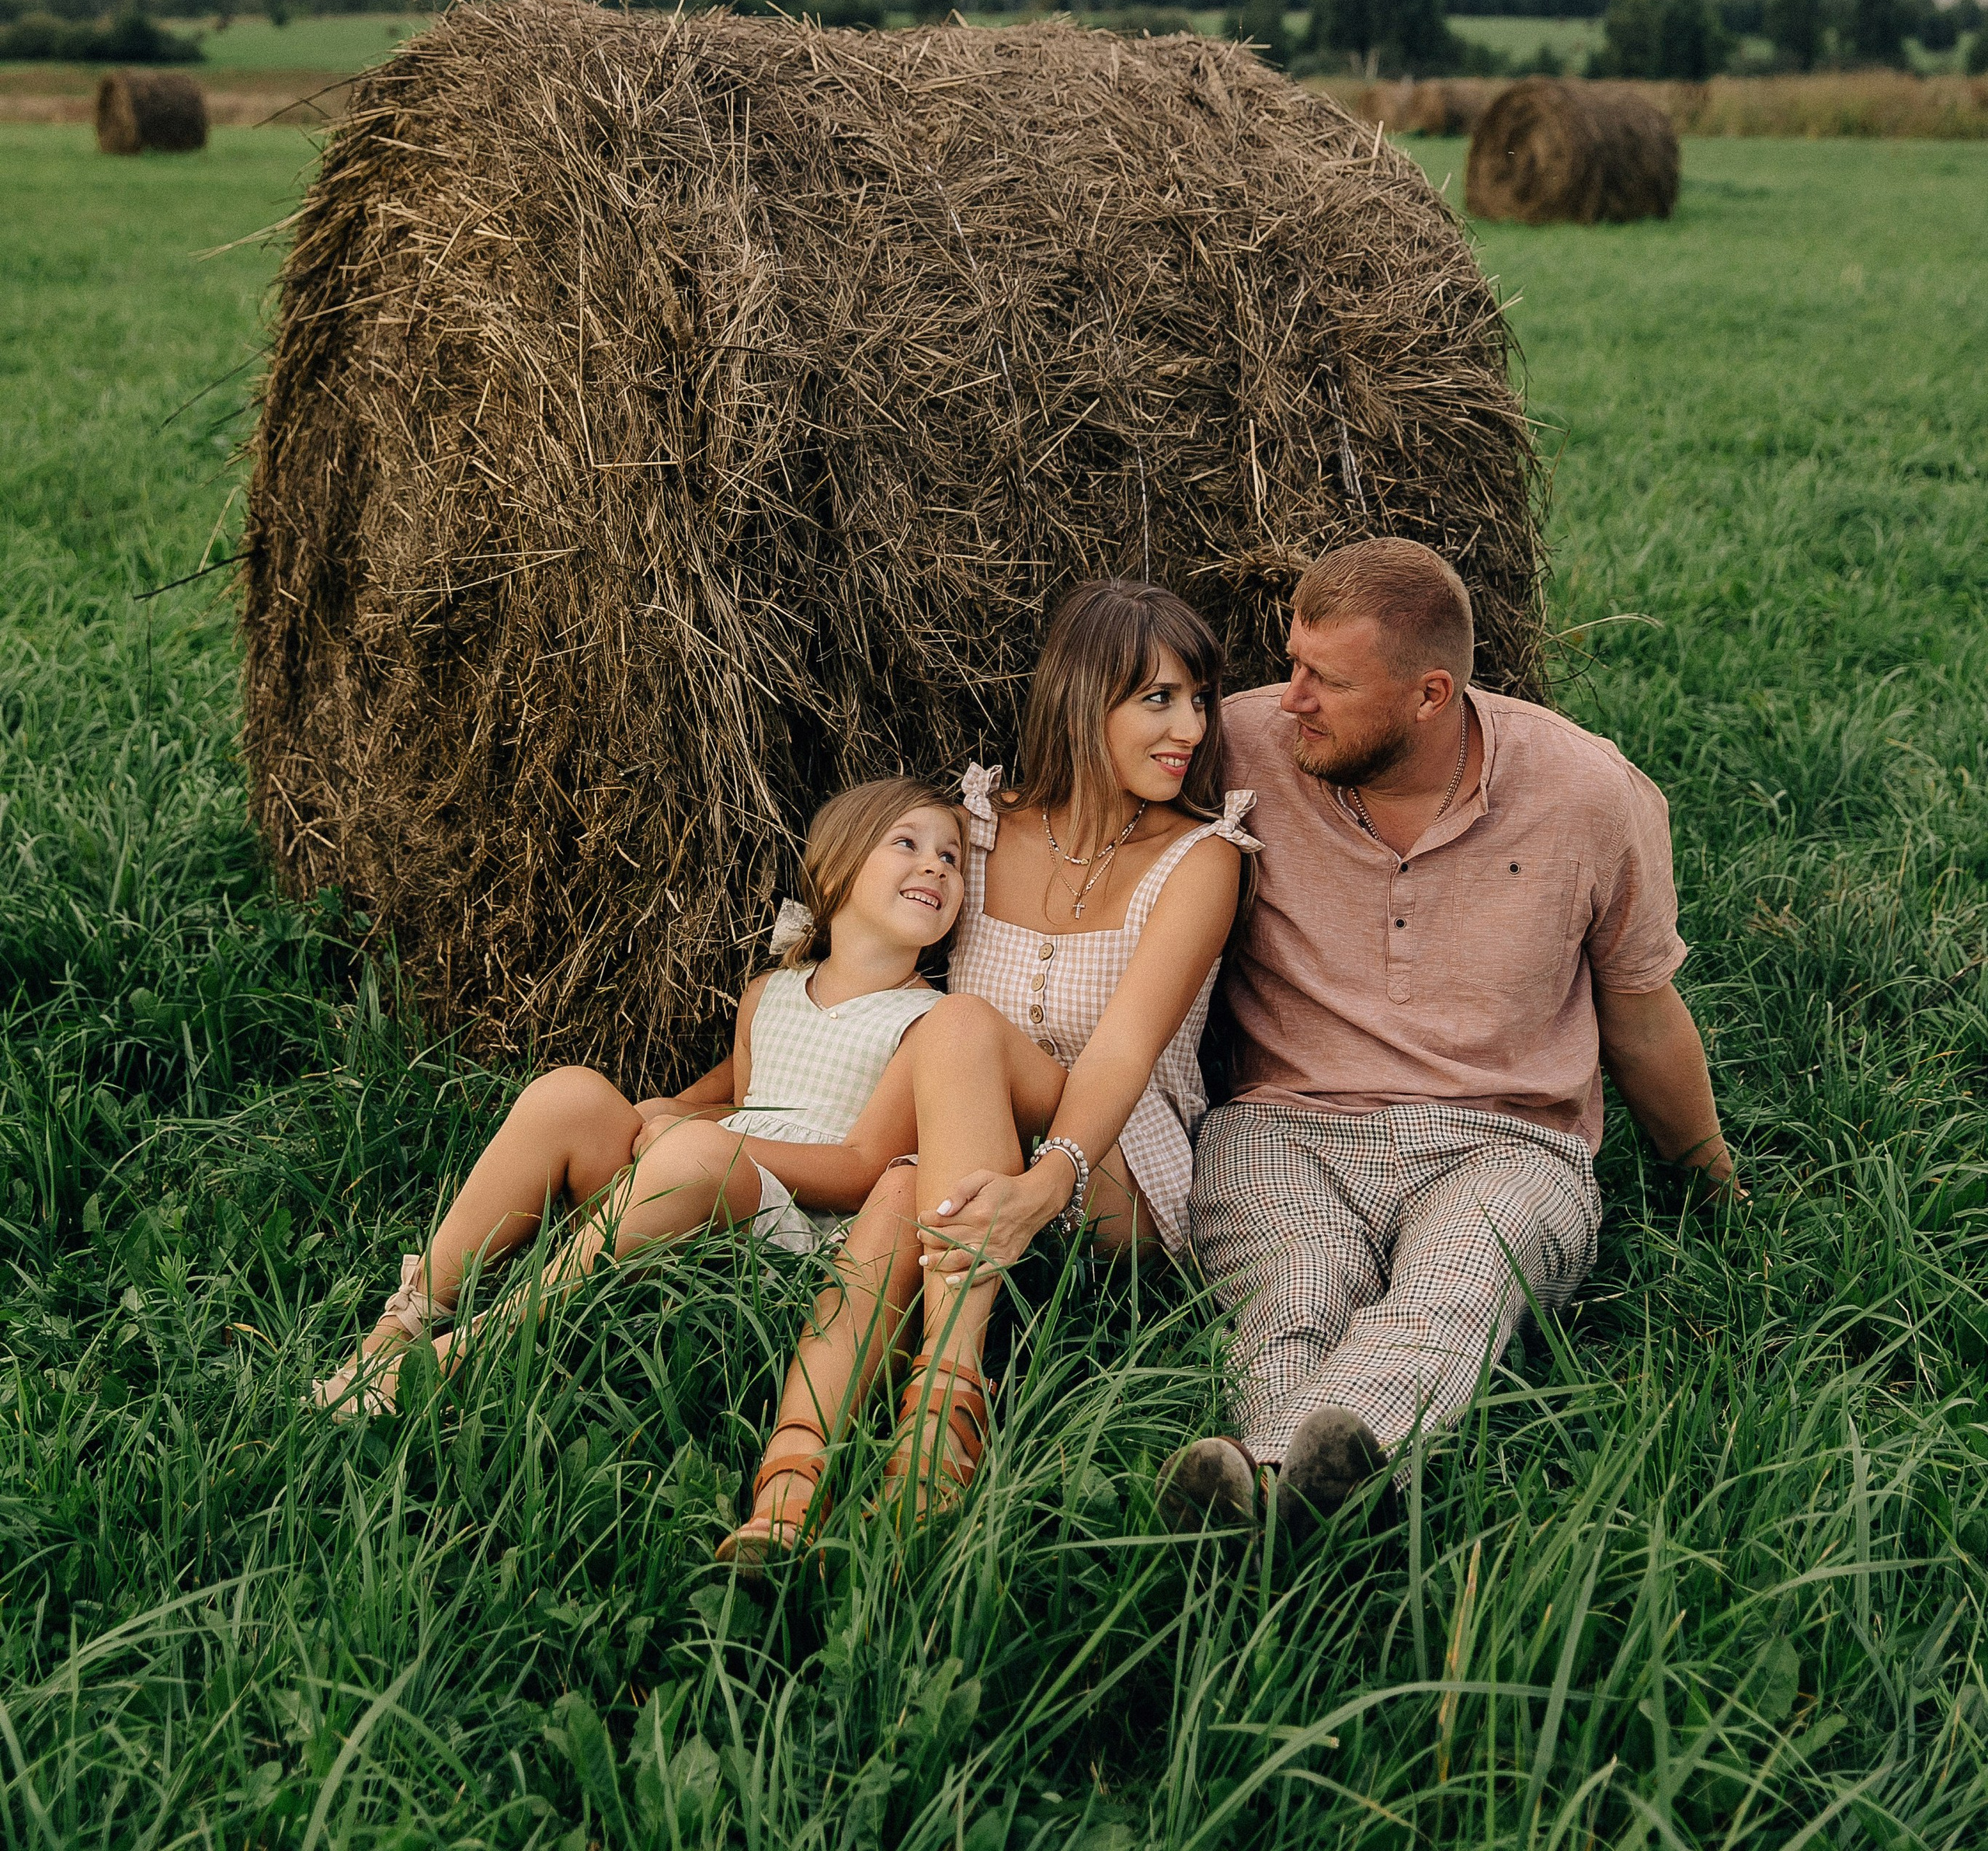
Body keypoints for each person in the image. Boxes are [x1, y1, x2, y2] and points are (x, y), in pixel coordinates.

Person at [1165, 536, 1735, 1538]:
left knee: (1457, 1284)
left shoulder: (1587, 795)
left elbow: (1641, 1013)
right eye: (1291, 661)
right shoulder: (1240, 748)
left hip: (1509, 1143)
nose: (1288, 696)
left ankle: (1271, 1484)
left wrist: (1717, 1189)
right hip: (1284, 1126)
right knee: (1294, 1287)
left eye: (1324, 680)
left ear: (1430, 695)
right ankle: (1303, 1489)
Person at [720, 578, 1257, 1562]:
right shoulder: (975, 824)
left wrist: (1047, 1175)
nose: (1192, 728)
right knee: (894, 1197)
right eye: (1159, 699)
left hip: (1115, 1172)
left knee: (963, 1026)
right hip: (960, 1159)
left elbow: (1125, 1053)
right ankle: (784, 1494)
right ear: (1082, 699)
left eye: (1200, 699)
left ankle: (950, 1395)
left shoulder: (1201, 858)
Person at [310, 779, 965, 1420]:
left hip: (793, 1243)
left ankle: (480, 1346)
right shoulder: (770, 993)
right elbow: (750, 1103)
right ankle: (409, 1318)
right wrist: (675, 1116)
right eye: (908, 843)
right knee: (570, 1093)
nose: (934, 865)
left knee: (698, 1156)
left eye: (952, 857)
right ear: (833, 876)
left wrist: (707, 1142)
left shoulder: (932, 1026)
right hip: (694, 1192)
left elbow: (861, 1167)